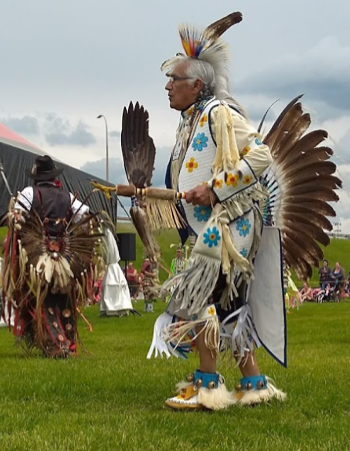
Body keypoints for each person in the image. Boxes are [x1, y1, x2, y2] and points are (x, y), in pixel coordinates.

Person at [107, 14, 288, 410]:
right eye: (169, 78)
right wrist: (143, 192)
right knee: (229, 307)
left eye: (175, 79)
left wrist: (218, 188)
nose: (167, 86)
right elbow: (188, 188)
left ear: (197, 86)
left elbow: (262, 154)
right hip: (210, 230)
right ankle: (254, 383)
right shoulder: (190, 124)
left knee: (201, 301)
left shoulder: (220, 113)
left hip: (228, 230)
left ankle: (207, 387)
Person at [0, 155, 104, 358]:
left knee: (43, 298)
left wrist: (18, 220)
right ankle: (69, 344)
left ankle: (57, 344)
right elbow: (86, 214)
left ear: (36, 177)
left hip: (37, 254)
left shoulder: (30, 192)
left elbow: (17, 217)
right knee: (63, 297)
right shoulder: (66, 195)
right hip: (65, 254)